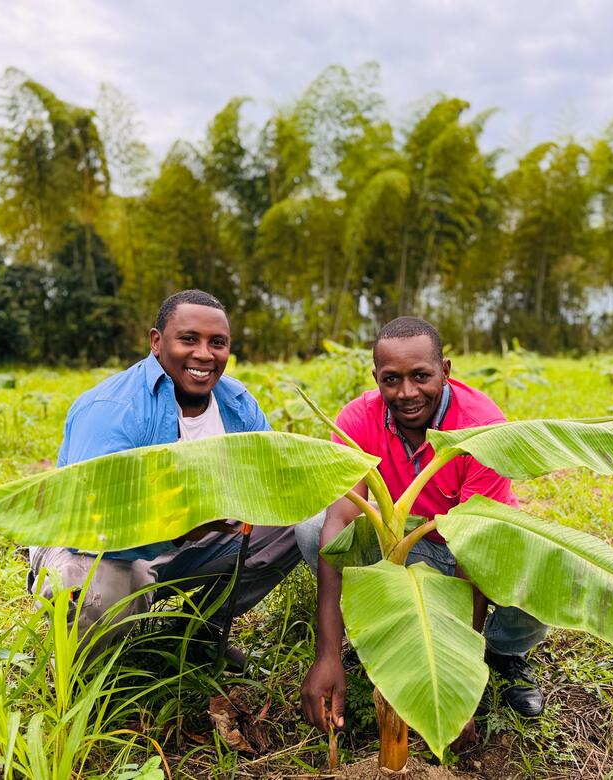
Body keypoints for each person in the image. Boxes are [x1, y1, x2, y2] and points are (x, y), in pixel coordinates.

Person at [296, 316, 548, 741]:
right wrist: (327, 655)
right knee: (312, 530)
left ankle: (503, 655)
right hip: (408, 543)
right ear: (376, 377)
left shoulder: (481, 424)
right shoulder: (359, 418)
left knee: (537, 570)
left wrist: (457, 681)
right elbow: (339, 521)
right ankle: (378, 635)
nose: (407, 393)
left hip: (473, 550)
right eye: (391, 379)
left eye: (421, 376)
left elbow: (473, 549)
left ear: (445, 371)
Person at [28, 289, 301, 666]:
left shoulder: (237, 405)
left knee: (297, 523)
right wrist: (176, 529)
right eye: (189, 339)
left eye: (217, 343)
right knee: (94, 594)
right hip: (99, 544)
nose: (204, 354)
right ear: (157, 342)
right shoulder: (113, 410)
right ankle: (83, 676)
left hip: (198, 539)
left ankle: (194, 630)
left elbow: (270, 480)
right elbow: (90, 523)